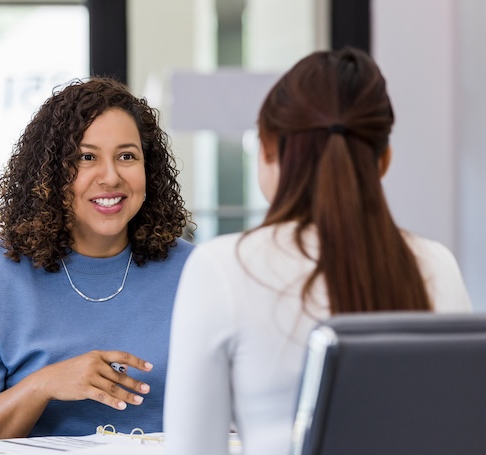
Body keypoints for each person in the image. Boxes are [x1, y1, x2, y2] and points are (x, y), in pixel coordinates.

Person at [163, 47, 472, 455]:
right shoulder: (436, 265)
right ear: (383, 161)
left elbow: (193, 448)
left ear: (268, 149)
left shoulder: (223, 268)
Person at [0, 77, 195, 442]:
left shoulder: (200, 276)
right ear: (49, 174)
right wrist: (42, 386)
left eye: (127, 156)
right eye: (86, 157)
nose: (111, 176)